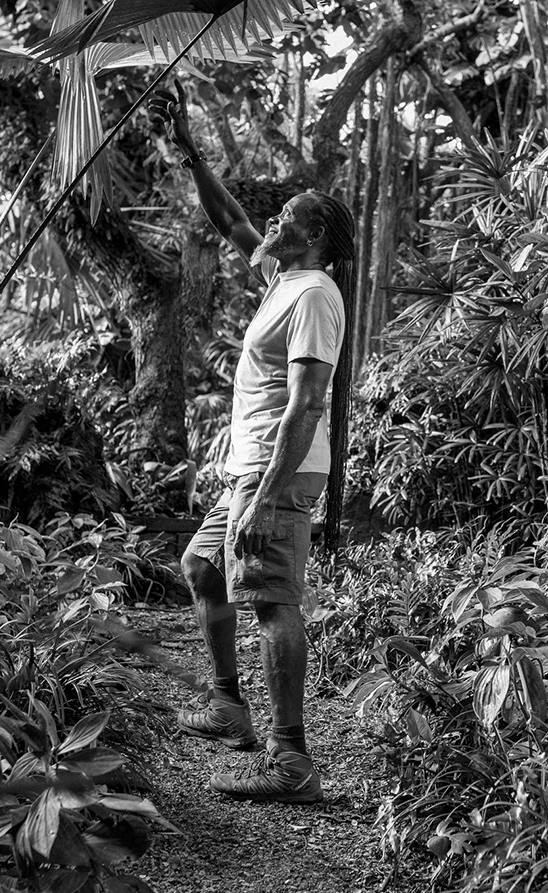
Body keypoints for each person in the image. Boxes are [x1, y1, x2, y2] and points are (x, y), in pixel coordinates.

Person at [149, 80, 355, 804]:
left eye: (287, 217)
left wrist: (265, 496)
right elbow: (233, 218)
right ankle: (229, 707)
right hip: (249, 471)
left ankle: (291, 758)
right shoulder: (283, 277)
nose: (271, 220)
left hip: (279, 472)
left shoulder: (314, 296)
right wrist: (191, 151)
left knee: (271, 601)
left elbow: (306, 403)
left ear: (316, 236)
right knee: (203, 562)